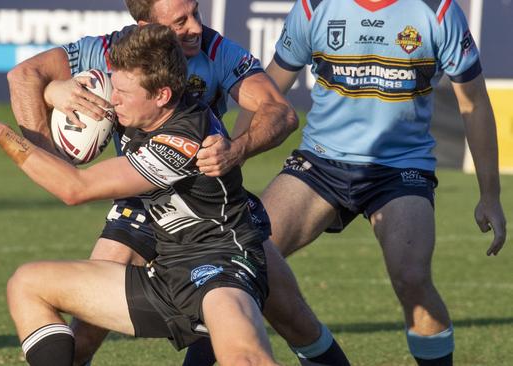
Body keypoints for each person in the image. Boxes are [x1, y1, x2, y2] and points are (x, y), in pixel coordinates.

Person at [7, 0, 350, 365]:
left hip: (212, 213)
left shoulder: (215, 51)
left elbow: (279, 112)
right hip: (140, 203)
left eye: (196, 14)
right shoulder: (110, 51)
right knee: (86, 331)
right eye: (180, 21)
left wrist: (236, 149)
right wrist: (53, 105)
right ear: (144, 27)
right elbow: (24, 76)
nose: (196, 28)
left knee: (296, 321)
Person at [0, 24, 281, 366]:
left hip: (221, 267)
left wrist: (4, 135)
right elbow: (29, 78)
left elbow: (76, 188)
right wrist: (56, 91)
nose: (112, 98)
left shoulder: (184, 140)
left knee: (245, 358)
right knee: (26, 284)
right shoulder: (140, 104)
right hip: (164, 276)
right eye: (113, 86)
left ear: (162, 95)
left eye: (121, 91)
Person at [211, 0, 507, 365]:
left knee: (412, 277)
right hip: (320, 163)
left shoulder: (438, 10)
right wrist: (233, 161)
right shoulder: (313, 7)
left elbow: (474, 101)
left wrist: (490, 195)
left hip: (400, 169)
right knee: (244, 260)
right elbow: (267, 96)